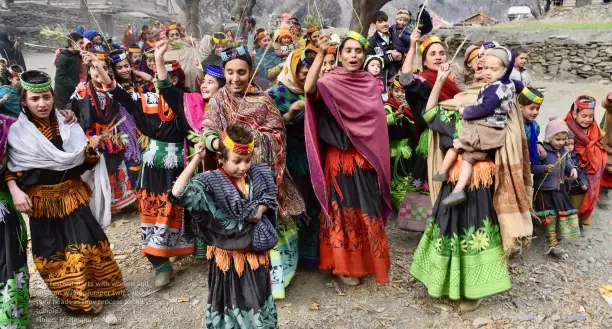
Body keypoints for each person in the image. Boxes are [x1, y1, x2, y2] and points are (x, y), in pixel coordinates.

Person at [6, 70, 125, 315]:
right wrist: (15, 190)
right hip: (41, 202)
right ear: (23, 101)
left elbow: (79, 163)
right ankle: (77, 300)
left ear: (53, 96)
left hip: (72, 194)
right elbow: (7, 167)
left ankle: (99, 288)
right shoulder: (14, 132)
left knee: (87, 242)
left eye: (46, 97)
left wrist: (91, 151)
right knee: (53, 251)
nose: (42, 104)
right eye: (34, 99)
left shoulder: (66, 124)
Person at [202, 44, 305, 299]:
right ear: (223, 72)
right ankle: (236, 280)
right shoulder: (217, 100)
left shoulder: (263, 100)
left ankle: (270, 282)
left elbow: (278, 133)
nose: (235, 78)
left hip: (260, 176)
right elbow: (208, 131)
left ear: (250, 73)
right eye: (230, 72)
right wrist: (222, 144)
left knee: (263, 223)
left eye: (241, 72)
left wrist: (252, 140)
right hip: (229, 178)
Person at [92, 42, 196, 287]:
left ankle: (193, 251)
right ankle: (160, 264)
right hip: (153, 164)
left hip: (181, 164)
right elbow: (116, 91)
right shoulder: (144, 98)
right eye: (163, 76)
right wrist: (99, 67)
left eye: (172, 76)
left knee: (181, 209)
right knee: (152, 210)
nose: (166, 81)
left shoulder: (186, 100)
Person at [410, 66, 512, 313]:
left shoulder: (496, 102)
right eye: (476, 65)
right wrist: (439, 81)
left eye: (486, 65)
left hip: (479, 180)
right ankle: (446, 283)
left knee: (474, 230)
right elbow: (429, 115)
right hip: (453, 178)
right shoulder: (452, 107)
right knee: (450, 228)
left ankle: (474, 288)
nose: (481, 69)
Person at [304, 32, 391, 286]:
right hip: (340, 160)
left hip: (366, 160)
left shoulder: (369, 83)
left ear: (364, 56)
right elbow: (309, 90)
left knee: (368, 210)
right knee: (344, 213)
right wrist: (321, 54)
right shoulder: (330, 81)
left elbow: (376, 125)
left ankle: (367, 264)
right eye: (348, 51)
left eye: (358, 51)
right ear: (340, 54)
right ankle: (346, 266)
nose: (353, 56)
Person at [171, 125, 279, 328]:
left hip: (256, 259)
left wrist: (262, 208)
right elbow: (178, 193)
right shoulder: (210, 182)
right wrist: (196, 159)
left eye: (247, 160)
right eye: (237, 161)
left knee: (259, 305)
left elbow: (271, 198)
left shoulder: (258, 174)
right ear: (220, 158)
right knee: (232, 307)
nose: (244, 167)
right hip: (228, 264)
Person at [432, 47, 517, 207]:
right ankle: (455, 187)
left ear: (505, 69)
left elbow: (484, 108)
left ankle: (452, 176)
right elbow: (518, 85)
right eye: (485, 68)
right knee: (466, 155)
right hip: (489, 133)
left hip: (486, 131)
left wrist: (466, 111)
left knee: (462, 148)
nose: (487, 72)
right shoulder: (507, 84)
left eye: (493, 69)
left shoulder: (495, 89)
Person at [395, 31, 461, 232]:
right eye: (433, 54)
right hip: (432, 136)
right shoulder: (422, 81)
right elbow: (405, 78)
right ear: (424, 60)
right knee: (429, 178)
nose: (439, 56)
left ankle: (450, 222)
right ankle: (425, 225)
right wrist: (413, 46)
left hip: (454, 137)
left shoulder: (453, 82)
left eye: (442, 52)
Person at [268, 48, 320, 266]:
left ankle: (311, 253)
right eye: (300, 68)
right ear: (290, 68)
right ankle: (291, 256)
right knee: (293, 203)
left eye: (309, 68)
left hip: (315, 155)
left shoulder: (317, 90)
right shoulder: (276, 93)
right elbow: (269, 124)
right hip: (289, 158)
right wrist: (289, 114)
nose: (305, 72)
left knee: (313, 202)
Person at [69, 52, 139, 214]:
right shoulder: (80, 92)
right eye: (94, 68)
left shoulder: (113, 90)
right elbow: (71, 113)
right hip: (91, 138)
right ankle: (97, 206)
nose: (99, 71)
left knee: (115, 167)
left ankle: (120, 202)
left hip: (112, 135)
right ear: (88, 71)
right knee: (94, 172)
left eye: (104, 68)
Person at [532, 117, 580, 258]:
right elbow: (532, 167)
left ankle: (555, 239)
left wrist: (572, 169)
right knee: (549, 217)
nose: (561, 143)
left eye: (563, 140)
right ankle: (552, 244)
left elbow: (568, 162)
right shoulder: (542, 152)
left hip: (558, 189)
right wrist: (544, 168)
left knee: (558, 215)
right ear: (548, 138)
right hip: (544, 190)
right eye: (557, 139)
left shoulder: (564, 151)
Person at [565, 95, 606, 232]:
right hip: (571, 165)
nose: (588, 119)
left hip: (590, 165)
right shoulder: (567, 125)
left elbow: (601, 140)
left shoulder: (594, 127)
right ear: (575, 114)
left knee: (588, 192)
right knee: (573, 194)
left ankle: (582, 219)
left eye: (591, 116)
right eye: (584, 116)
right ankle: (569, 221)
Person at [367, 11, 403, 92]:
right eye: (380, 22)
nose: (385, 24)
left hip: (397, 80)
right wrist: (390, 57)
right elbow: (369, 62)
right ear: (374, 25)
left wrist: (400, 57)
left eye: (386, 21)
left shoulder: (395, 36)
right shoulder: (371, 42)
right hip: (380, 82)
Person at [53, 33, 87, 111]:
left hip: (73, 89)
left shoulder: (77, 54)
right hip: (63, 92)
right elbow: (59, 78)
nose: (83, 45)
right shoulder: (64, 57)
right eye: (81, 43)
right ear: (72, 43)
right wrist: (76, 85)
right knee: (63, 112)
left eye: (83, 43)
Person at [164, 23, 199, 92]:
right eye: (172, 35)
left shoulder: (188, 48)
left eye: (177, 34)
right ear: (168, 37)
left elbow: (198, 44)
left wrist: (186, 37)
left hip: (189, 82)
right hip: (174, 85)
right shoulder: (165, 52)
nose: (175, 37)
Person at [519, 87, 546, 164]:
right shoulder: (514, 126)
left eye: (537, 108)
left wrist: (538, 144)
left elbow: (533, 139)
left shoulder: (535, 126)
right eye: (532, 108)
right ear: (521, 107)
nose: (535, 112)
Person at [566, 132, 589, 200]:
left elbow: (581, 171)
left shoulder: (575, 157)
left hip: (573, 187)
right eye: (567, 144)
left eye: (572, 144)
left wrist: (583, 182)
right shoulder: (559, 156)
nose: (570, 147)